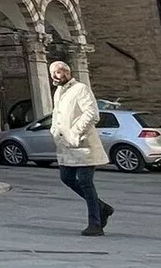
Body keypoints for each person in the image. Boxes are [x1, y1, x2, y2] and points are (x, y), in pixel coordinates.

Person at [50, 61, 113, 236]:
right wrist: (55, 131)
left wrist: (75, 132)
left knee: (86, 182)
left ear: (68, 72)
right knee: (66, 177)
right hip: (66, 146)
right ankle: (102, 207)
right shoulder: (59, 92)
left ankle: (95, 224)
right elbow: (57, 115)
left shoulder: (81, 89)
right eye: (53, 72)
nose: (56, 75)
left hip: (83, 144)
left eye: (59, 71)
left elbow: (92, 114)